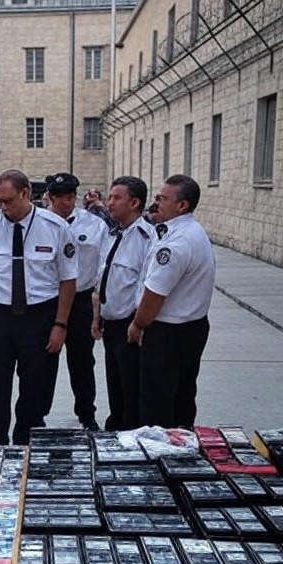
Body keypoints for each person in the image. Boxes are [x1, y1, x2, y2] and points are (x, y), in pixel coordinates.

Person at [0, 168, 77, 445]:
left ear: (26, 194)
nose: (2, 207)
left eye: (8, 200)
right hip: (1, 315)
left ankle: (26, 438)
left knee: (34, 383)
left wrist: (60, 325)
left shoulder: (56, 228)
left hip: (40, 316)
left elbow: (68, 281)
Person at [128, 174, 216, 429]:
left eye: (162, 199)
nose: (156, 203)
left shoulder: (177, 243)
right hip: (191, 328)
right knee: (182, 399)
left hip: (167, 334)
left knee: (157, 404)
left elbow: (154, 296)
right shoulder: (190, 231)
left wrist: (138, 324)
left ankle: (160, 457)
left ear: (182, 206)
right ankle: (181, 450)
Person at [44, 172, 106, 431]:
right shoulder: (38, 224)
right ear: (49, 198)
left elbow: (103, 267)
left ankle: (87, 414)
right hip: (48, 300)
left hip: (80, 300)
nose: (67, 202)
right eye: (61, 198)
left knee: (82, 362)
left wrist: (97, 310)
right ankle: (38, 413)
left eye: (71, 197)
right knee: (44, 361)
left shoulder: (94, 225)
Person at [91, 176, 151, 430]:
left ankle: (130, 433)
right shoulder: (115, 234)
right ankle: (116, 428)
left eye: (117, 198)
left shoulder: (146, 239)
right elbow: (104, 279)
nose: (110, 203)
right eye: (110, 197)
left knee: (132, 388)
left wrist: (138, 323)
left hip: (131, 325)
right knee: (115, 383)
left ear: (134, 203)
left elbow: (145, 286)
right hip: (111, 323)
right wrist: (97, 316)